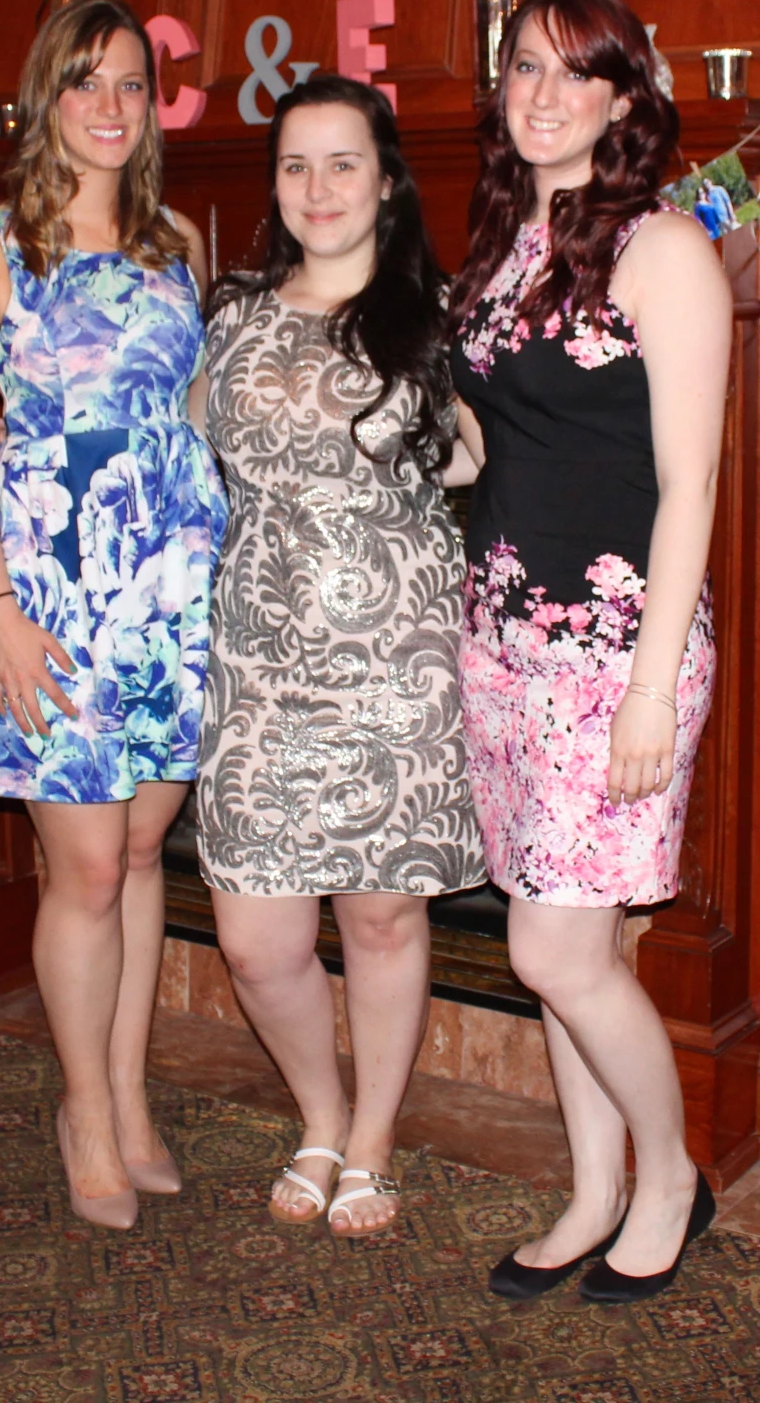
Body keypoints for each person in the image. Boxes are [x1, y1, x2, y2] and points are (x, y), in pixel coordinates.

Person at [0, 0, 227, 1232]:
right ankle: (83, 1110)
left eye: (131, 85)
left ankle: (131, 1093)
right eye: (84, 82)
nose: (110, 106)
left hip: (166, 590)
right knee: (87, 866)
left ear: (153, 105)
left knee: (146, 853)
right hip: (47, 595)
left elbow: (193, 416)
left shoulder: (179, 242)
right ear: (46, 97)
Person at [451, 0, 734, 1304]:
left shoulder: (659, 250)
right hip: (505, 647)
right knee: (564, 940)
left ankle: (670, 1174)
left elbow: (688, 487)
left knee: (554, 953)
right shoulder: (512, 239)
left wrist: (646, 696)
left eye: (575, 73)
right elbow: (504, 438)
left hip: (616, 654)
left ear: (626, 98)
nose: (541, 94)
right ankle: (590, 1190)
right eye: (522, 68)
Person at [196, 74, 483, 1236]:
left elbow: (482, 461)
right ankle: (319, 1109)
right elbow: (168, 452)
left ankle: (368, 1141)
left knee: (379, 922)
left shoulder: (435, 317)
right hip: (258, 672)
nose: (318, 188)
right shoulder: (231, 318)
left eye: (343, 162)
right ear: (274, 187)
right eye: (295, 166)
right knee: (256, 939)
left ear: (385, 179)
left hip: (395, 671)